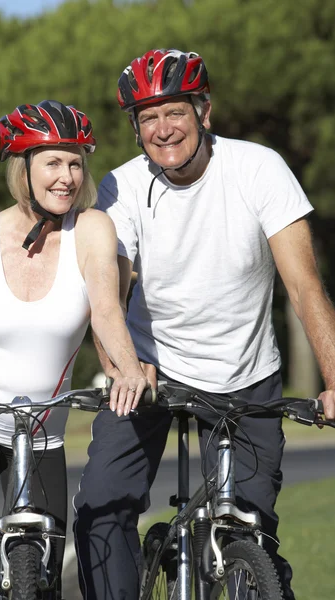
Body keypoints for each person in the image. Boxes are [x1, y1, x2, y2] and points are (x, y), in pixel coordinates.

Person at [73, 49, 335, 600]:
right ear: (135, 128)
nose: (163, 129)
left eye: (175, 112)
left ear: (204, 112)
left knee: (253, 535)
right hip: (149, 371)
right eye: (148, 118)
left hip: (247, 374)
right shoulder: (119, 190)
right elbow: (107, 298)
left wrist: (334, 381)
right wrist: (122, 366)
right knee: (102, 509)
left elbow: (305, 286)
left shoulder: (258, 168)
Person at [0, 99, 148, 600]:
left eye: (76, 162)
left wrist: (128, 371)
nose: (68, 177)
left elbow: (106, 310)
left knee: (42, 566)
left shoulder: (92, 230)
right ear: (23, 168)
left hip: (42, 428)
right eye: (53, 162)